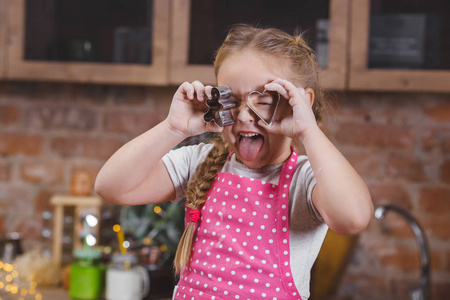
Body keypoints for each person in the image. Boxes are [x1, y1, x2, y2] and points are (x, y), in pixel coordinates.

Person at [95, 24, 373, 300]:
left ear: (299, 103)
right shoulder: (198, 162)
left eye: (264, 100)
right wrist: (173, 128)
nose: (242, 116)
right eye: (230, 99)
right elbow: (112, 187)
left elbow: (353, 217)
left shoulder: (306, 181)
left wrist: (308, 130)